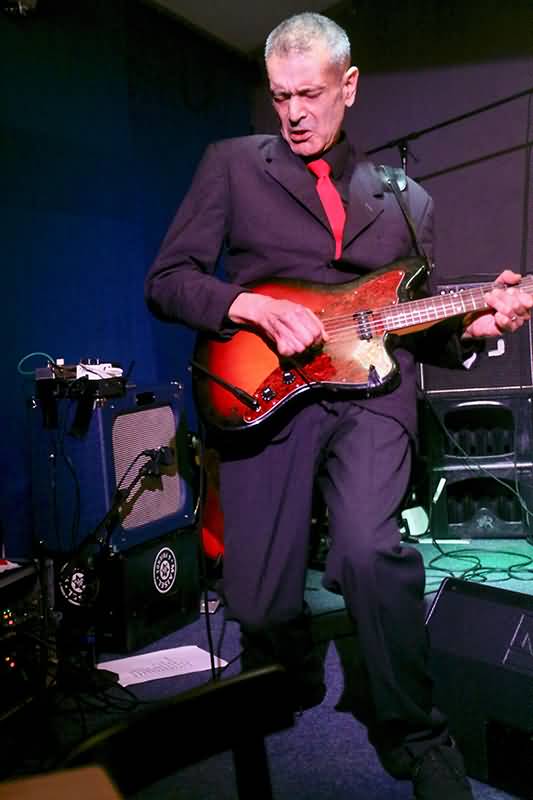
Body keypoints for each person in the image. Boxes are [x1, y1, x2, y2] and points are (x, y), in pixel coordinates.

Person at [145, 12, 532, 799]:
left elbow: (418, 325)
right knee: (257, 598)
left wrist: (477, 328)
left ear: (347, 87)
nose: (293, 113)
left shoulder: (405, 199)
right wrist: (247, 305)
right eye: (280, 95)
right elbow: (169, 281)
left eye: (310, 95)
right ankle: (285, 669)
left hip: (371, 398)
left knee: (364, 551)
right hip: (262, 391)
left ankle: (415, 732)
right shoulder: (231, 165)